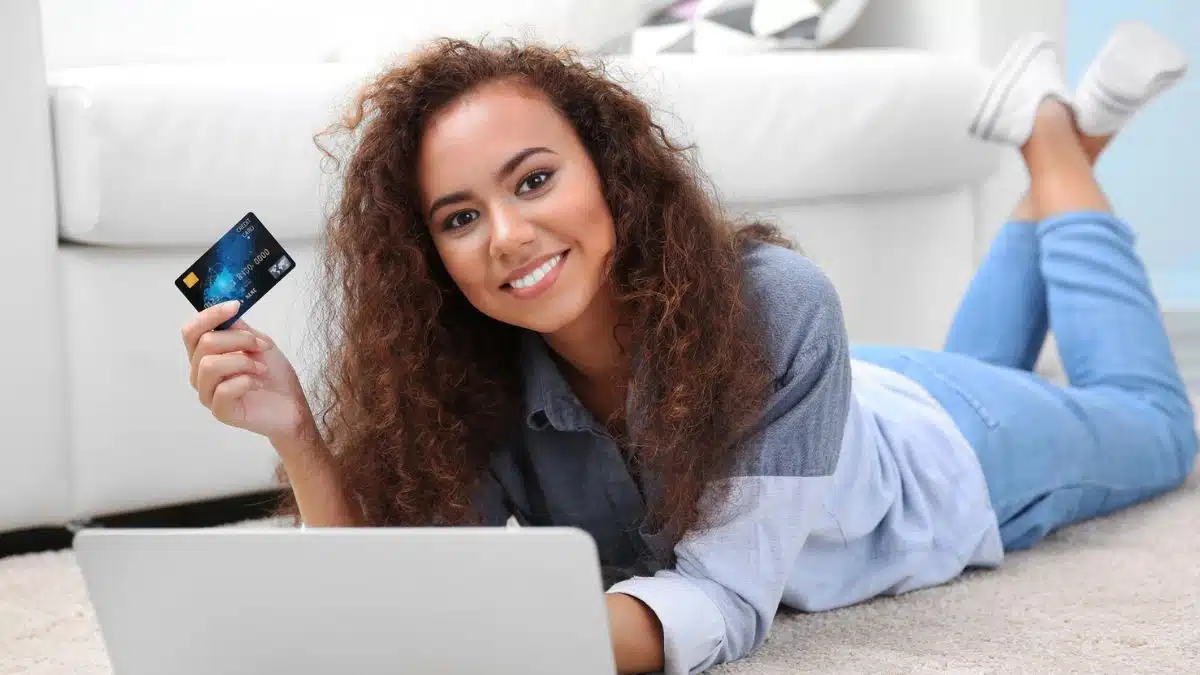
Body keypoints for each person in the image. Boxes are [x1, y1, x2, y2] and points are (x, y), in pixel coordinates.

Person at [180, 21, 1196, 675]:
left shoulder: (778, 303)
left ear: (608, 171)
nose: (508, 236)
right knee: (1019, 371)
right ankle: (1068, 160)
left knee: (1158, 425)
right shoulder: (470, 376)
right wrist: (298, 434)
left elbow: (724, 598)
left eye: (534, 180)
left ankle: (1054, 139)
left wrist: (508, 644)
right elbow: (392, 597)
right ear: (429, 257)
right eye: (459, 217)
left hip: (952, 452)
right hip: (848, 402)